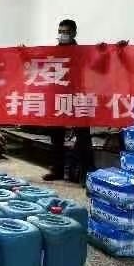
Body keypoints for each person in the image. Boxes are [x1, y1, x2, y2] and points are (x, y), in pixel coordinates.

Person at [44, 19, 94, 183]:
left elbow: (97, 65)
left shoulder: (82, 52)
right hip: (58, 95)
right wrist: (23, 52)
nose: (62, 35)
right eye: (60, 32)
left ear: (74, 33)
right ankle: (57, 169)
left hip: (78, 95)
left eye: (66, 32)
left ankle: (86, 173)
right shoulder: (52, 52)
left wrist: (105, 50)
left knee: (83, 135)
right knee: (56, 135)